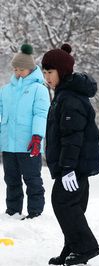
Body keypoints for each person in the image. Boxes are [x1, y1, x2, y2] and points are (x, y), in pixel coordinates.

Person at [42, 43, 99, 266]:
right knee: (73, 206)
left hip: (74, 165)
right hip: (75, 164)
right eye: (45, 72)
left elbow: (72, 137)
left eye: (51, 72)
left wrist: (67, 168)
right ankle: (72, 248)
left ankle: (86, 247)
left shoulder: (70, 99)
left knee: (63, 204)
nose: (47, 77)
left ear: (62, 71)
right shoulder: (65, 94)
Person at [0, 44, 49, 219]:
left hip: (29, 144)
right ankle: (13, 210)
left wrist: (37, 137)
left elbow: (41, 114)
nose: (18, 72)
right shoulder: (5, 91)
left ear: (30, 68)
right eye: (15, 69)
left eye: (21, 69)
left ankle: (35, 212)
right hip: (8, 145)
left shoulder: (39, 89)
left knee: (32, 179)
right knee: (11, 180)